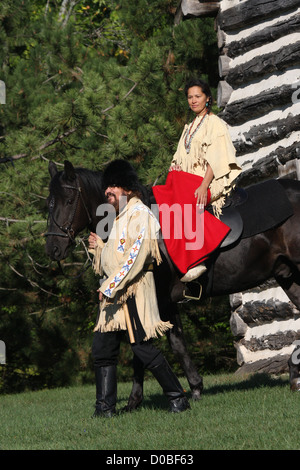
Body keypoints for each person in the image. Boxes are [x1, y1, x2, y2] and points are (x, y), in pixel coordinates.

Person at [88, 159, 190, 417]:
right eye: (106, 187)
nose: (107, 191)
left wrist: (110, 285)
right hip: (115, 292)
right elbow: (115, 260)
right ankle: (104, 409)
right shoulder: (120, 218)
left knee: (141, 348)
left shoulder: (141, 214)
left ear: (129, 189)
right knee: (102, 346)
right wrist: (100, 248)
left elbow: (136, 257)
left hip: (133, 290)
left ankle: (178, 398)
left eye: (114, 186)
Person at [152, 78, 242, 285]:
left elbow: (216, 157)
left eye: (197, 96)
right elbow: (179, 157)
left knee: (185, 200)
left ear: (207, 98)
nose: (193, 101)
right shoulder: (189, 127)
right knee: (162, 195)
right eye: (190, 97)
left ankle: (195, 260)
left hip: (209, 182)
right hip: (188, 180)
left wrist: (203, 185)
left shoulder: (215, 123)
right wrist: (174, 168)